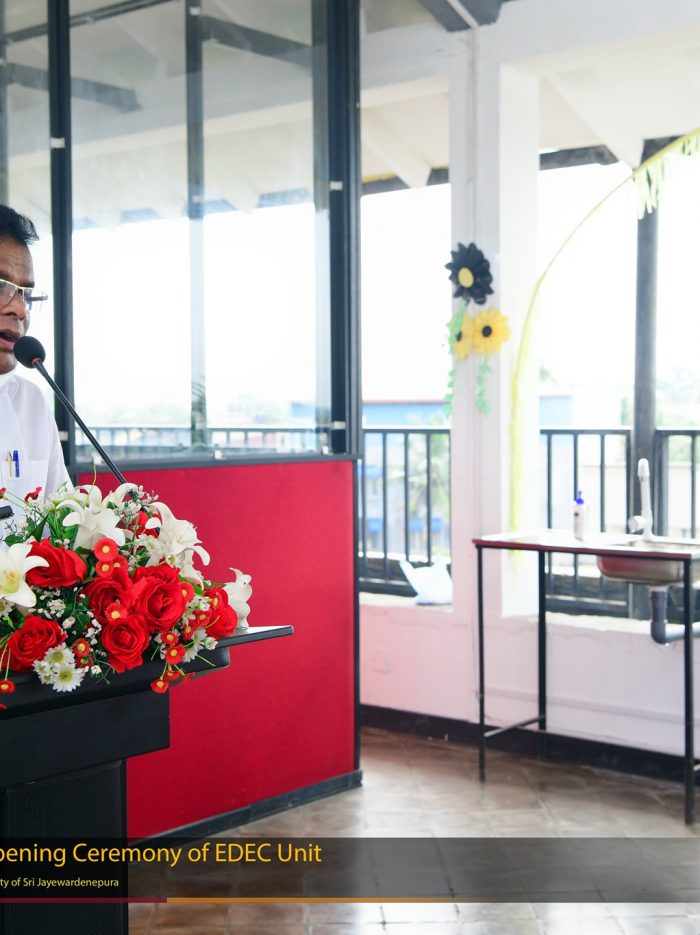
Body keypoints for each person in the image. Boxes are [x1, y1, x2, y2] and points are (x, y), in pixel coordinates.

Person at [0, 205, 69, 514]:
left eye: (25, 294)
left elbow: (67, 520)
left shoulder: (32, 403)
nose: (19, 309)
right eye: (1, 286)